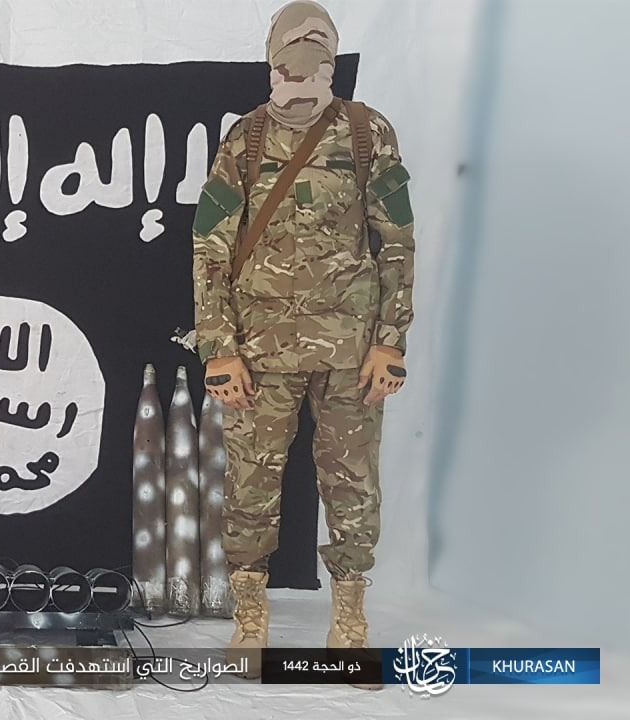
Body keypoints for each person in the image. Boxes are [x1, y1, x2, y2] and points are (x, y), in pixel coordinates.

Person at [190, 0, 415, 688]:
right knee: (250, 484)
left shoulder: (368, 131)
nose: (304, 72)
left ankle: (350, 622)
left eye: (319, 58)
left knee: (353, 485)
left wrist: (391, 341)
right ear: (272, 62)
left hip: (351, 352)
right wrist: (218, 349)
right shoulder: (245, 139)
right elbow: (210, 248)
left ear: (333, 62)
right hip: (259, 352)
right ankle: (250, 619)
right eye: (292, 59)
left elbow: (397, 242)